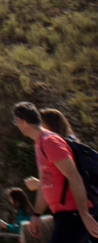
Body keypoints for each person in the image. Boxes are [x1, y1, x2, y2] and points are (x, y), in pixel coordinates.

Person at [13, 101, 98, 243]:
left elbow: (74, 176)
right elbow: (45, 182)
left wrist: (84, 214)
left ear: (21, 121)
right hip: (64, 214)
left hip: (74, 213)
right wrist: (36, 214)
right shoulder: (39, 143)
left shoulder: (50, 141)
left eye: (16, 122)